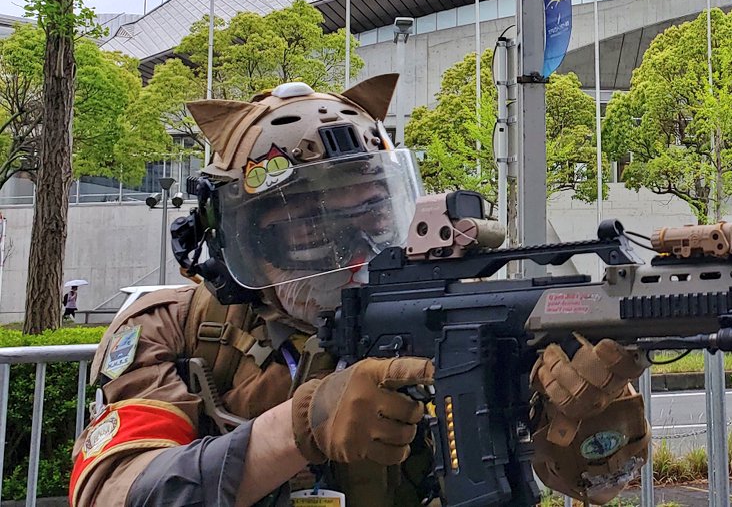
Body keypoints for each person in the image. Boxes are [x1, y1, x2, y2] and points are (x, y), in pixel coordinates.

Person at [69, 76, 650, 507]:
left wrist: (589, 416)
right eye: (309, 226)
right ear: (242, 237)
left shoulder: (452, 318)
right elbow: (113, 491)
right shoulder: (171, 330)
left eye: (372, 215)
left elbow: (598, 486)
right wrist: (299, 427)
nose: (354, 251)